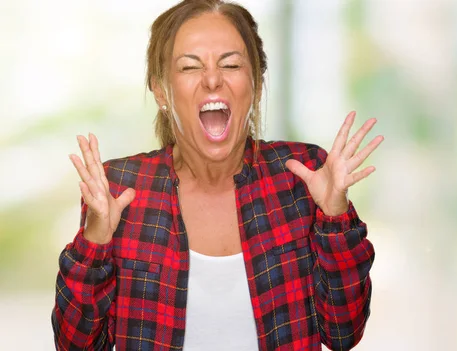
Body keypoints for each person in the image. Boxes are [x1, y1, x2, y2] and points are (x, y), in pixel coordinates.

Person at [51, 1, 383, 350]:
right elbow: (77, 346)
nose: (212, 79)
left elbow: (344, 333)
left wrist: (335, 217)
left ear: (254, 84)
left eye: (231, 64)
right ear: (162, 91)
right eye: (190, 67)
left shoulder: (303, 176)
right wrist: (94, 244)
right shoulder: (120, 188)